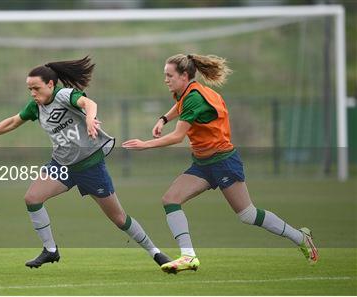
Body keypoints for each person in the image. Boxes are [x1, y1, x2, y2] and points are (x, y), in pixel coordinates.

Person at [0, 56, 171, 269]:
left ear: (50, 84)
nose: (33, 93)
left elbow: (88, 103)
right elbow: (13, 121)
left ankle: (155, 252)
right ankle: (50, 250)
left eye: (36, 88)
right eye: (30, 89)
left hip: (90, 166)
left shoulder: (63, 95)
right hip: (62, 166)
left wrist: (90, 119)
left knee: (119, 218)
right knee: (32, 198)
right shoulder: (36, 106)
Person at [122, 53, 318, 274]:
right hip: (203, 164)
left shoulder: (194, 97)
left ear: (185, 76)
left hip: (223, 162)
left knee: (248, 215)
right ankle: (188, 256)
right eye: (165, 75)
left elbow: (177, 137)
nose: (166, 80)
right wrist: (163, 119)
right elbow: (181, 107)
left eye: (170, 75)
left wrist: (145, 145)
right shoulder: (186, 93)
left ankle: (300, 237)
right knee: (170, 199)